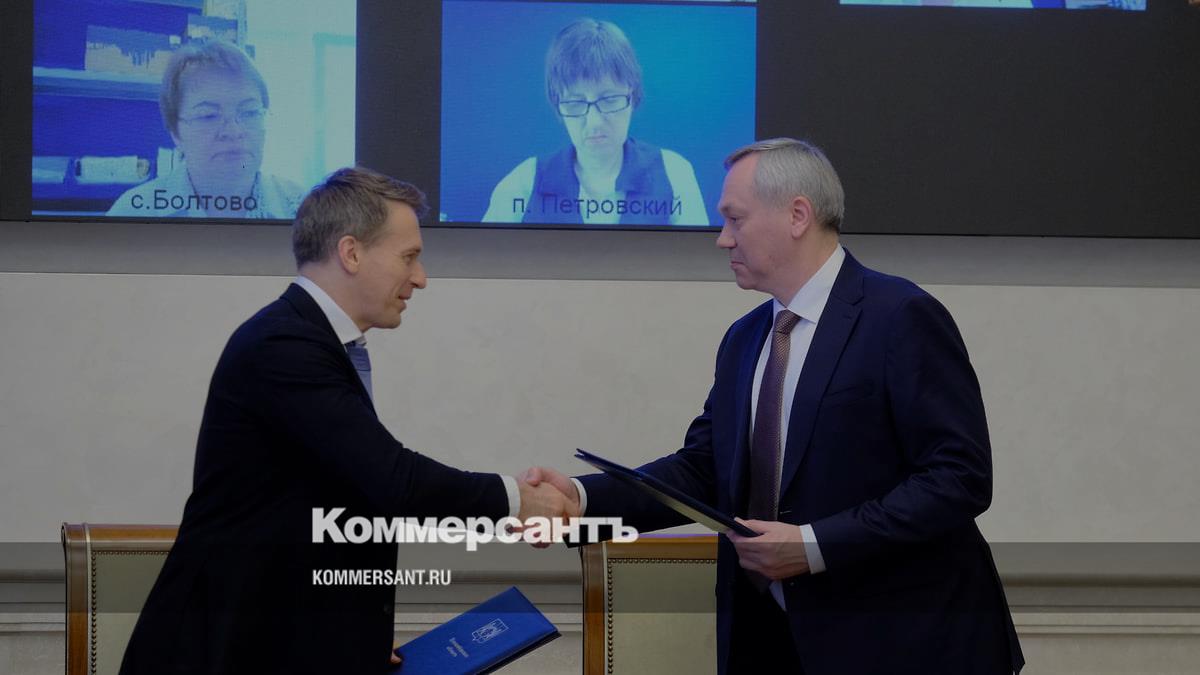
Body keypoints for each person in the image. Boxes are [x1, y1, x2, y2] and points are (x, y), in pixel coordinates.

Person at [524, 139, 1026, 674]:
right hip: (769, 639)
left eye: (735, 219)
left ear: (797, 215)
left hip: (903, 643)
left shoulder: (901, 316)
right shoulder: (744, 339)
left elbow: (959, 477)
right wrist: (580, 500)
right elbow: (704, 470)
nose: (723, 239)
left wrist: (814, 545)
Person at [118, 167, 577, 674]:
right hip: (221, 652)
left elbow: (329, 506)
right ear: (352, 253)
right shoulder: (285, 344)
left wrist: (348, 634)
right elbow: (394, 480)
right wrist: (518, 501)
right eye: (408, 257)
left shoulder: (312, 340)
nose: (420, 278)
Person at [482, 17, 708, 226]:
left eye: (609, 100)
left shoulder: (674, 172)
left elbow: (697, 257)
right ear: (558, 105)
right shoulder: (522, 183)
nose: (594, 122)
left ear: (633, 97)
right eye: (575, 103)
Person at [107, 39, 304, 219]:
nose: (234, 132)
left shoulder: (300, 207)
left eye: (250, 112)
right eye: (208, 116)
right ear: (176, 133)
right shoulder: (133, 211)